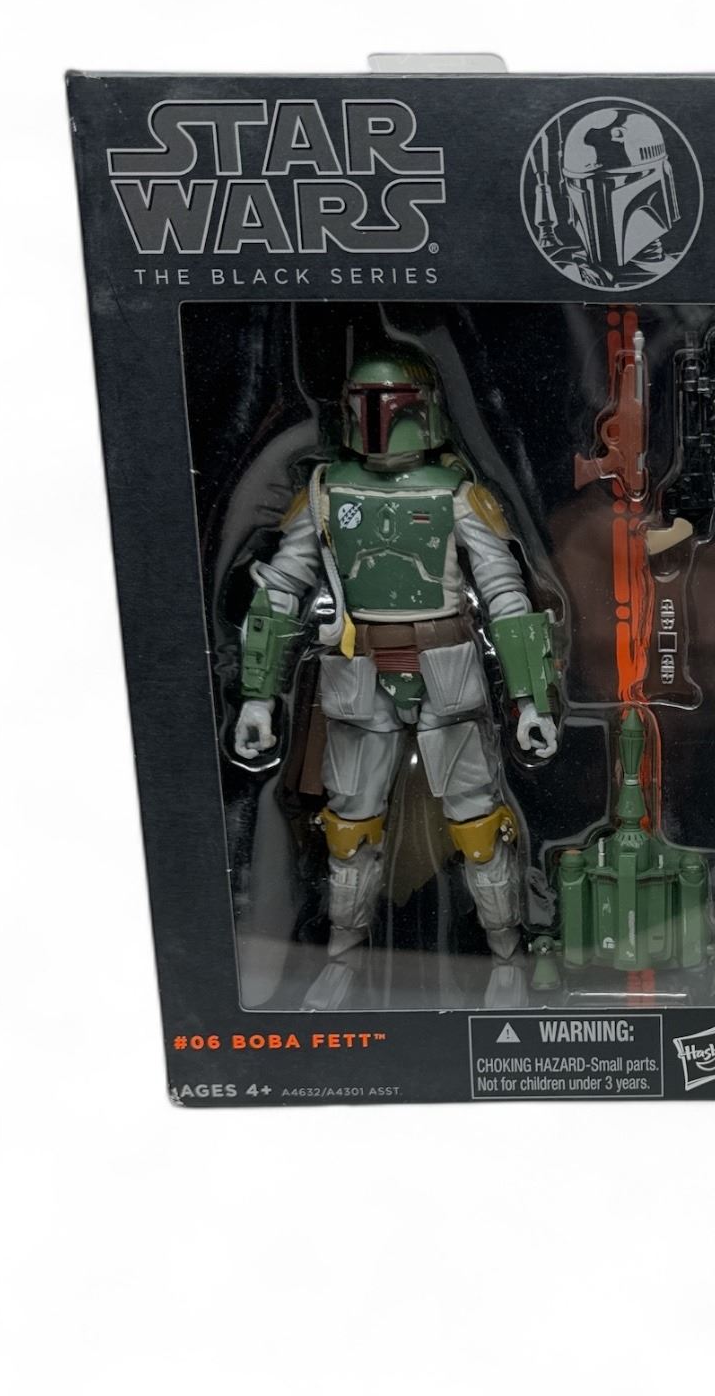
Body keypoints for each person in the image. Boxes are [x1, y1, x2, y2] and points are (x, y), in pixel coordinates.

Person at [232, 346, 560, 1007]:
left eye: (394, 407)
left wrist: (532, 699)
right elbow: (279, 592)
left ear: (424, 411)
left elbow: (506, 594)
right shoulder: (325, 493)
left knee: (477, 824)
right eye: (367, 406)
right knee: (349, 830)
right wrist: (257, 697)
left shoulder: (455, 495)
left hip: (447, 674)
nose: (380, 421)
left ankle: (505, 959)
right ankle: (341, 961)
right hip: (359, 677)